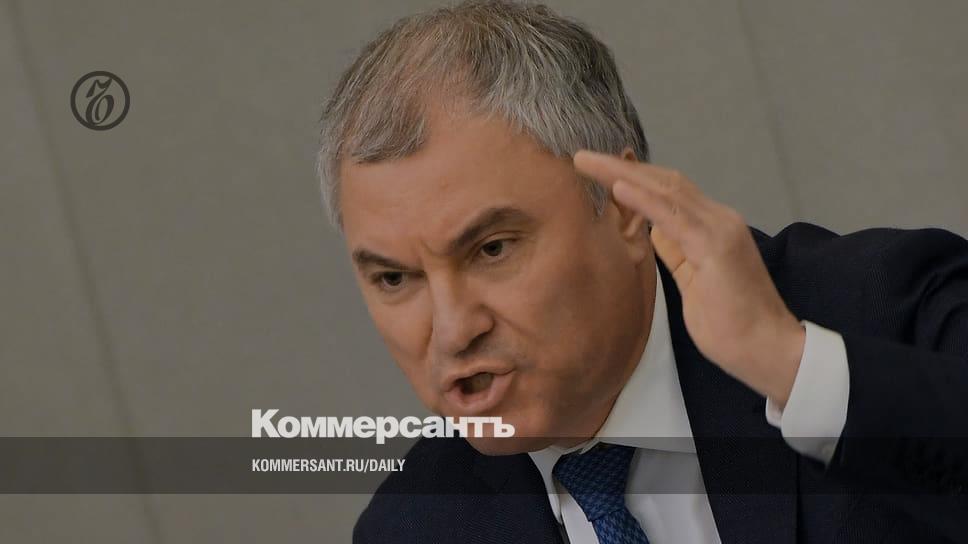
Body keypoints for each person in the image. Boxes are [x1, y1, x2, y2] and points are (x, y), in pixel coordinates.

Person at [316, 2, 968, 542]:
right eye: (395, 279)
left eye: (492, 249)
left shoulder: (889, 312)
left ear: (626, 208)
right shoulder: (413, 527)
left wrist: (789, 367)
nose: (454, 331)